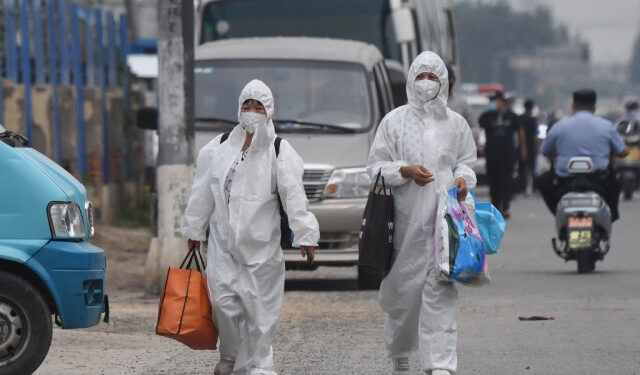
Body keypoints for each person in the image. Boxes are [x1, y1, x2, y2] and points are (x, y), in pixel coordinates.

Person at [183, 79, 320, 375]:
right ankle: (231, 358)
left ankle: (259, 364)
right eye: (247, 105)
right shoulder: (217, 149)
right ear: (239, 109)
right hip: (223, 245)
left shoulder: (279, 150)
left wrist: (306, 234)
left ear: (269, 111)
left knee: (259, 312)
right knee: (224, 305)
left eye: (258, 106)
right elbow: (202, 192)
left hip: (261, 249)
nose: (252, 111)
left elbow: (294, 196)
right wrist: (194, 230)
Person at [366, 51, 477, 375]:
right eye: (421, 76)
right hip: (405, 223)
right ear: (411, 80)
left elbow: (466, 162)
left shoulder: (456, 124)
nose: (427, 83)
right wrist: (405, 170)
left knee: (441, 291)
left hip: (445, 221)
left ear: (443, 82)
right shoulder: (394, 122)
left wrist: (461, 180)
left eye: (433, 77)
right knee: (403, 299)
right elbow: (374, 168)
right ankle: (400, 354)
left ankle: (440, 365)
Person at [536, 89, 629, 221]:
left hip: (565, 182)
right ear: (594, 107)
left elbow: (545, 150)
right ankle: (611, 216)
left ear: (573, 106)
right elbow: (623, 152)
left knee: (541, 181)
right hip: (598, 181)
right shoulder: (606, 126)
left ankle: (559, 214)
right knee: (616, 181)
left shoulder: (559, 127)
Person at [479, 91, 519, 218]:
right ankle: (495, 207)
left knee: (506, 181)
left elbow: (518, 129)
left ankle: (506, 207)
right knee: (493, 182)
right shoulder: (487, 116)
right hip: (492, 155)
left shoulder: (511, 116)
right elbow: (481, 124)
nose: (495, 104)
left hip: (507, 155)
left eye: (498, 101)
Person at [446, 63, 481, 142]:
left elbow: (476, 129)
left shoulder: (461, 103)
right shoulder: (429, 103)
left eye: (449, 79)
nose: (448, 82)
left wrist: (459, 136)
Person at [516, 99, 538, 194]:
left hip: (521, 146)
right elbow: (534, 135)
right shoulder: (532, 120)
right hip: (529, 147)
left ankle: (522, 189)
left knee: (522, 169)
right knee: (532, 169)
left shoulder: (520, 118)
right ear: (531, 108)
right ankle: (534, 189)